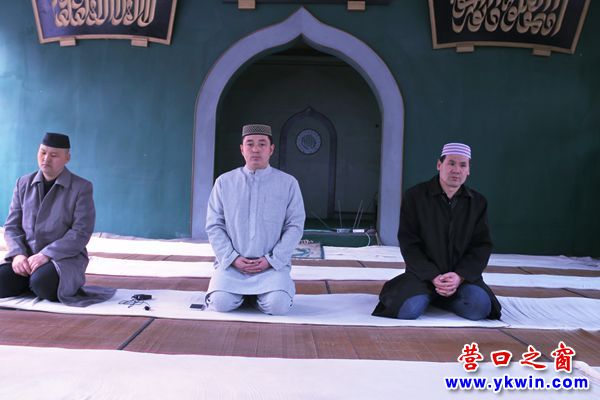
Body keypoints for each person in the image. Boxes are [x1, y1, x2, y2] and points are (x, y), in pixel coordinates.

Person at [373, 143, 501, 320]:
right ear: (439, 165)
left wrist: (459, 276)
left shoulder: (478, 203)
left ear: (468, 170)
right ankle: (429, 295)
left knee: (479, 308)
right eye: (451, 163)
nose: (456, 170)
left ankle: (440, 297)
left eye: (463, 165)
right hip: (423, 276)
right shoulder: (415, 196)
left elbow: (481, 245)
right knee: (408, 310)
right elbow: (409, 243)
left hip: (460, 279)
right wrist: (433, 276)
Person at [1, 133, 114, 306]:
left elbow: (81, 232)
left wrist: (46, 254)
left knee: (42, 283)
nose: (46, 159)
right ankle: (29, 279)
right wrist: (18, 254)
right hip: (27, 257)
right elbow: (12, 227)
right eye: (43, 152)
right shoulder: (22, 183)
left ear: (67, 158)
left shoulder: (81, 187)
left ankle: (34, 281)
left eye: (54, 155)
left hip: (63, 258)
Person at [205, 124, 305, 315]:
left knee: (278, 306)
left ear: (271, 149)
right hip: (232, 266)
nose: (256, 149)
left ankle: (257, 297)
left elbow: (295, 226)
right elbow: (214, 225)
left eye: (262, 144)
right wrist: (232, 258)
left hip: (271, 267)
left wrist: (271, 260)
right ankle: (247, 296)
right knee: (220, 303)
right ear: (242, 149)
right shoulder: (224, 182)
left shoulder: (288, 183)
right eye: (250, 144)